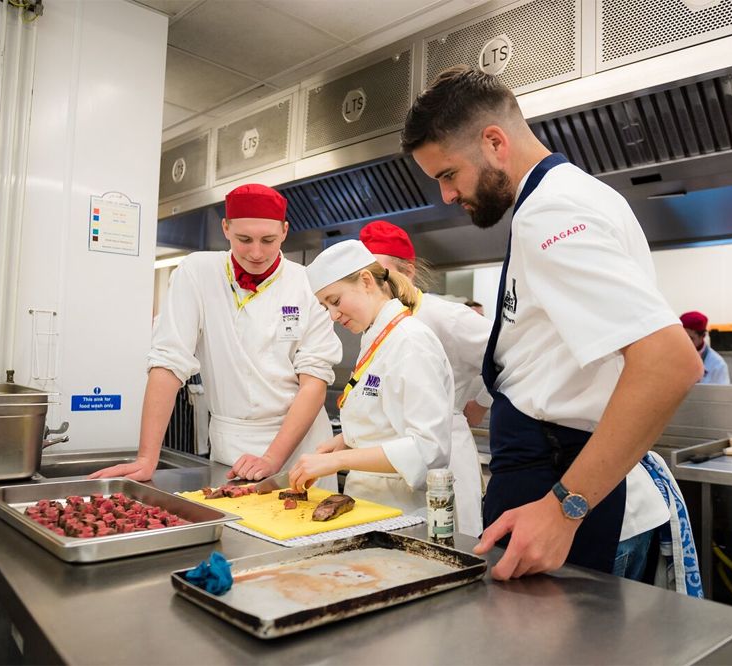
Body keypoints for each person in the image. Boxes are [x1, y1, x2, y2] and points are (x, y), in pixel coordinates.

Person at [401, 66, 703, 582]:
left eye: (448, 174)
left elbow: (669, 363)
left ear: (494, 142)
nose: (446, 196)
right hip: (563, 480)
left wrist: (565, 507)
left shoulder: (552, 214)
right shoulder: (576, 196)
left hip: (565, 488)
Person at [91, 184, 342, 487]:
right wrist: (147, 458)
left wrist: (273, 459)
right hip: (233, 447)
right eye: (244, 239)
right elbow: (168, 362)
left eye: (268, 240)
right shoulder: (197, 272)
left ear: (285, 231)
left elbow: (314, 381)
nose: (256, 252)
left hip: (301, 449)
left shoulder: (306, 284)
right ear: (225, 228)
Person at [289, 240, 457, 517]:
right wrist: (346, 439)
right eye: (324, 306)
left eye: (335, 301)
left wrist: (339, 461)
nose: (332, 315)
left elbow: (428, 450)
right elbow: (389, 419)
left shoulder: (410, 341)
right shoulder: (377, 336)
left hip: (402, 511)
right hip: (371, 506)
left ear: (366, 280)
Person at [359, 219, 488, 536]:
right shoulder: (373, 323)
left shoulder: (445, 315)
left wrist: (480, 402)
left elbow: (508, 354)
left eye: (380, 274)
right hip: (395, 460)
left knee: (450, 543)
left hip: (445, 455)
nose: (370, 285)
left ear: (409, 272)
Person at [680, 311, 730, 384]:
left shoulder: (717, 364)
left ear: (703, 336)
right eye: (682, 337)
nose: (685, 342)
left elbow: (723, 394)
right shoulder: (671, 357)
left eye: (690, 338)